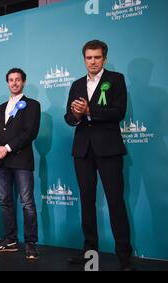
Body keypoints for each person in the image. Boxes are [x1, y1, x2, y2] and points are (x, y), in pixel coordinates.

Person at [64, 40, 133, 270]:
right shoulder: (76, 84)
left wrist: (89, 111)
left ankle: (124, 257)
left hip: (109, 149)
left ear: (104, 58)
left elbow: (119, 112)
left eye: (97, 57)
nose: (92, 62)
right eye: (89, 58)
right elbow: (69, 117)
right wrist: (75, 115)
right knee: (86, 203)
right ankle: (89, 253)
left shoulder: (116, 79)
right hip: (82, 151)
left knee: (115, 202)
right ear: (84, 59)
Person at [0, 68, 41, 260]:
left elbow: (30, 132)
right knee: (5, 201)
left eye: (18, 80)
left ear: (24, 82)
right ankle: (10, 240)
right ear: (7, 83)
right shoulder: (0, 108)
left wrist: (7, 148)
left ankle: (31, 243)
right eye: (11, 80)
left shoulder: (33, 105)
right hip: (1, 162)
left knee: (27, 203)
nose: (14, 83)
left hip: (20, 159)